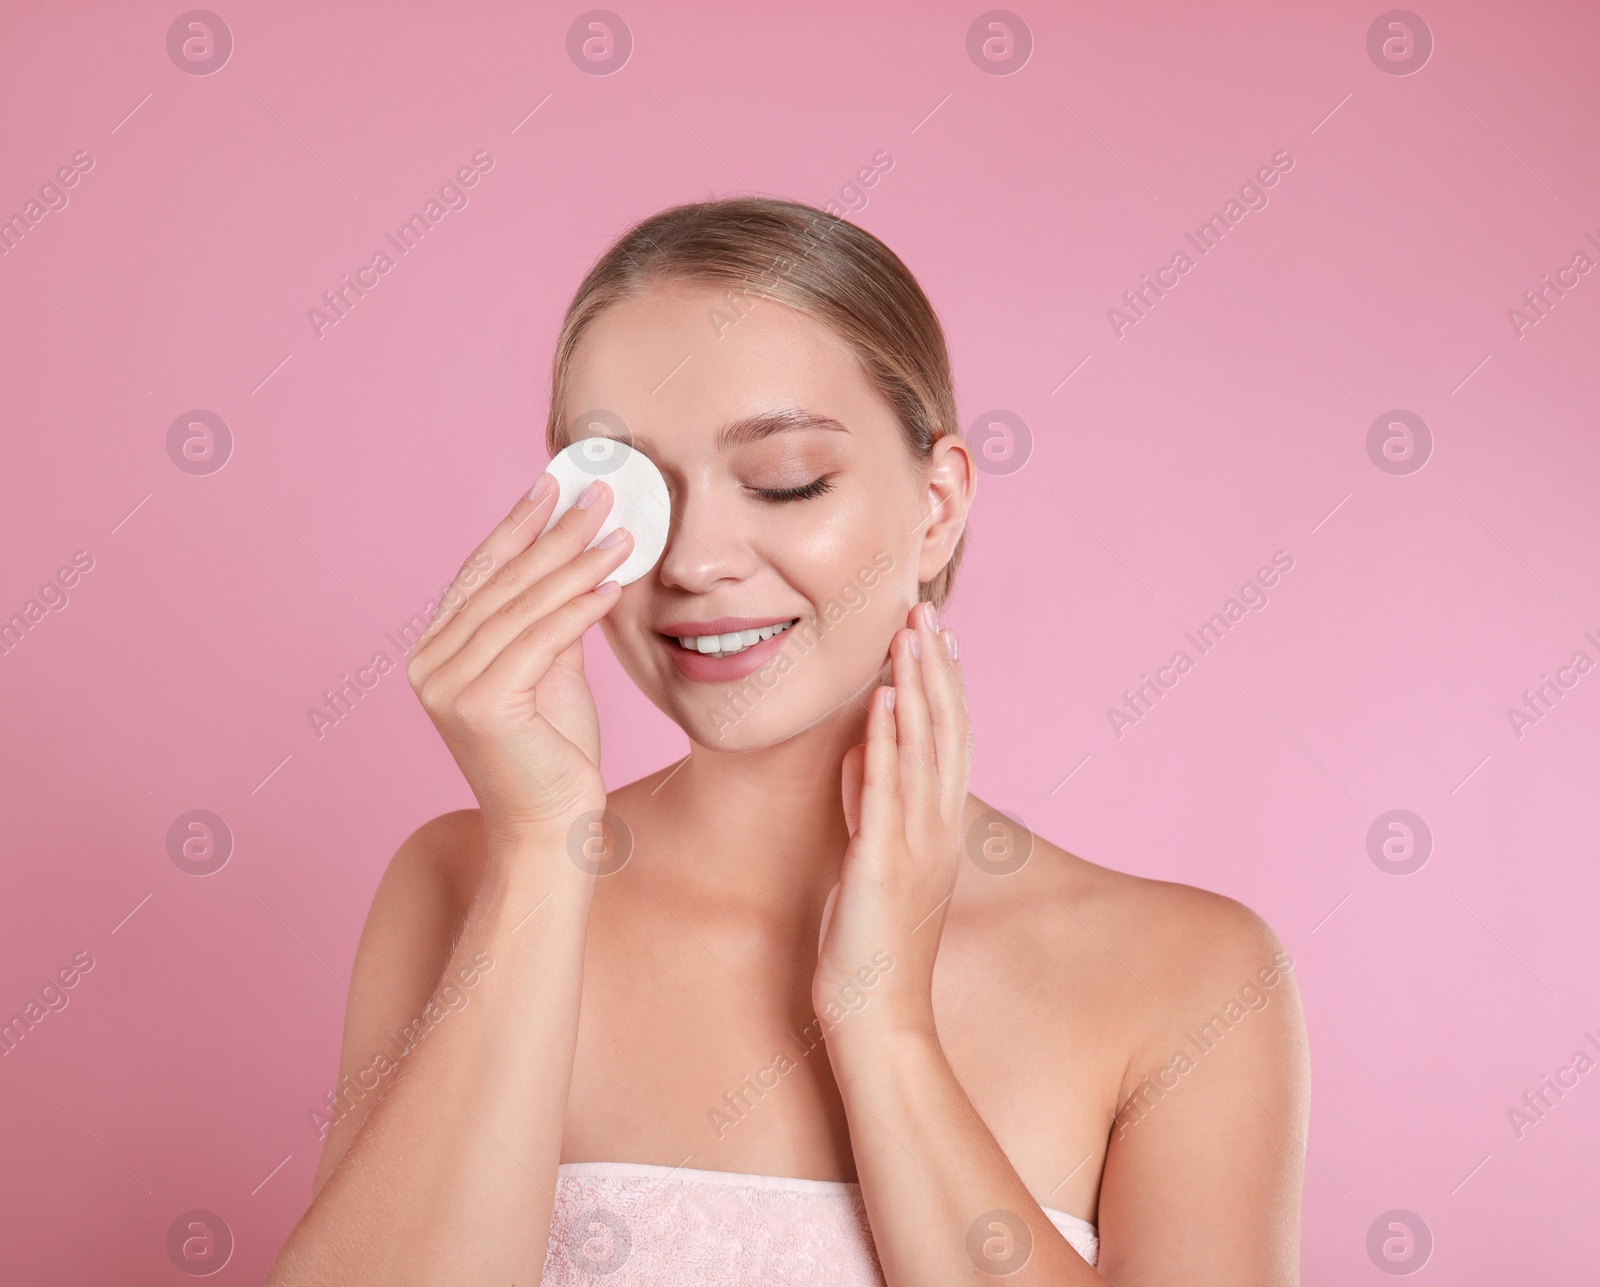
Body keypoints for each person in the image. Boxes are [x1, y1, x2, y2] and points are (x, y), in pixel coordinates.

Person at [266, 196, 1310, 1285]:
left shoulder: (1188, 977)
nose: (696, 561)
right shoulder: (461, 880)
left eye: (784, 481)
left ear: (938, 504)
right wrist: (540, 850)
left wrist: (886, 1028)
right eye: (636, 492)